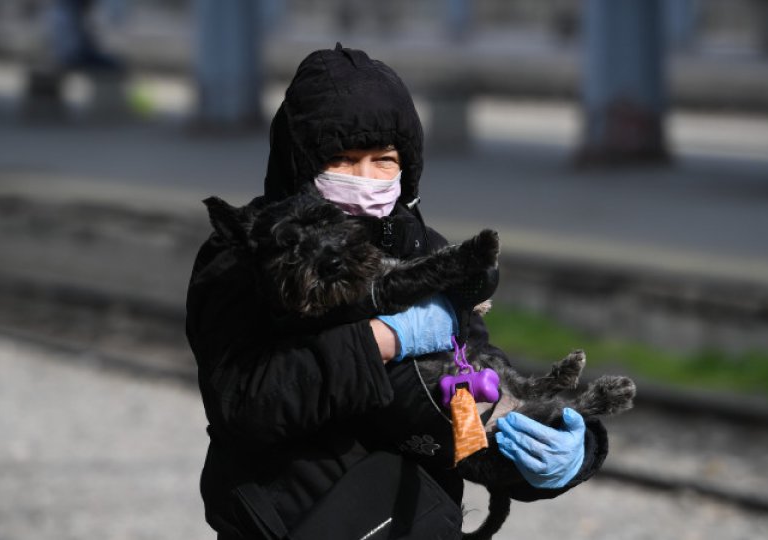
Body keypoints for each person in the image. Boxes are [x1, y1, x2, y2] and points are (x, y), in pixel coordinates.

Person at [185, 44, 609, 539]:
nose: (366, 179)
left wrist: (560, 455)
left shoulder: (425, 250)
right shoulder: (248, 253)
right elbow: (245, 405)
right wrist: (383, 340)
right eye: (342, 160)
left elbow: (467, 394)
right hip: (294, 526)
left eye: (383, 160)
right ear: (300, 164)